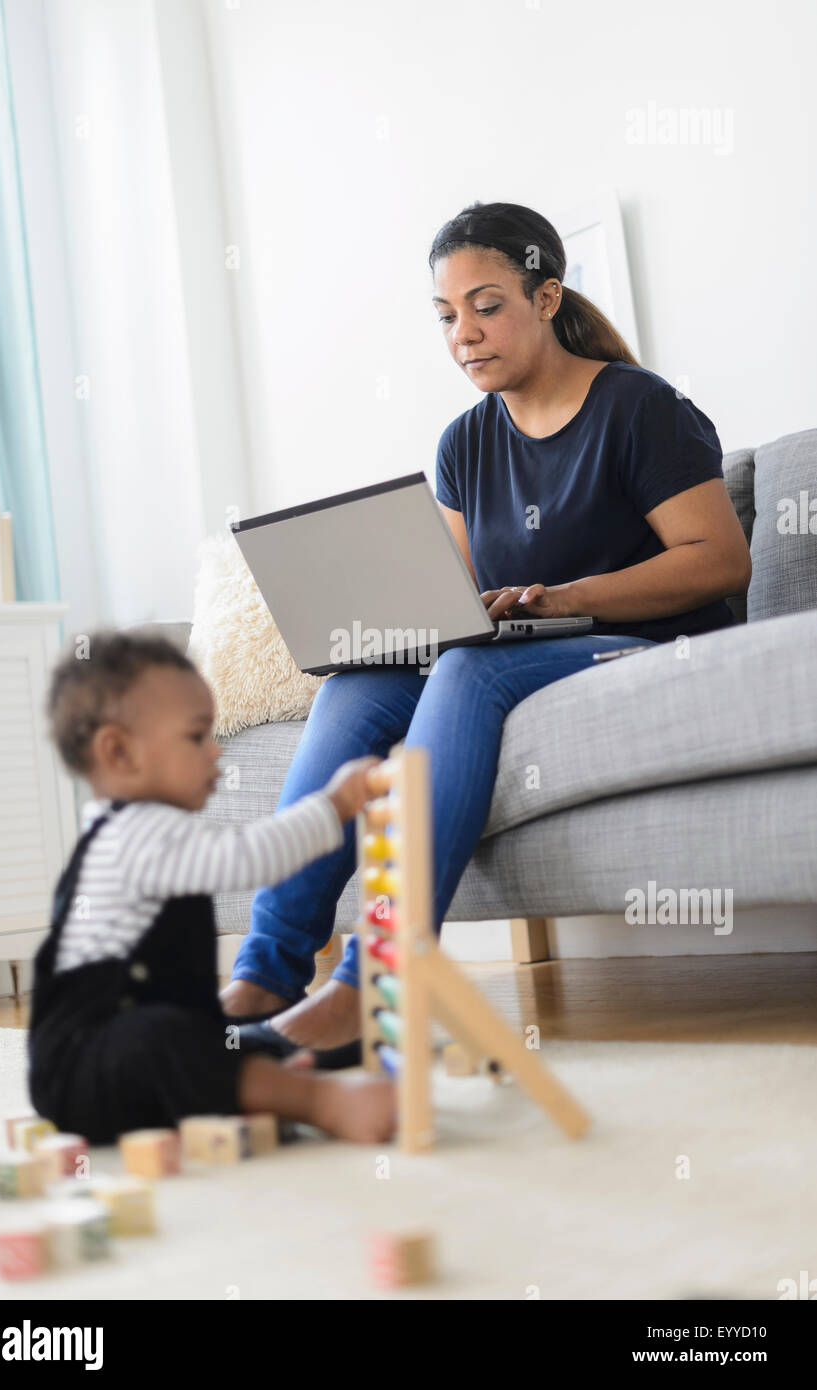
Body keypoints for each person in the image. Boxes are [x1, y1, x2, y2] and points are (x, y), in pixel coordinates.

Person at [219, 199, 752, 1051]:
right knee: (359, 684)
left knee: (473, 670)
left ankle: (376, 981)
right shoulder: (463, 443)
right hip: (529, 648)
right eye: (445, 316)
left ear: (546, 297)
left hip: (654, 644)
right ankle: (265, 969)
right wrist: (400, 622)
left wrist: (566, 597)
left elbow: (719, 561)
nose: (463, 334)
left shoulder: (639, 408)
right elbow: (460, 600)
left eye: (486, 306)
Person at [27, 630, 396, 1145]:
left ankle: (258, 1083)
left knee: (220, 1041)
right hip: (86, 1068)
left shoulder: (132, 828)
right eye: (197, 737)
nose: (215, 751)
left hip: (133, 1054)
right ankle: (317, 1101)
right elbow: (249, 857)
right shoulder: (136, 835)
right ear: (119, 752)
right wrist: (333, 805)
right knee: (177, 1041)